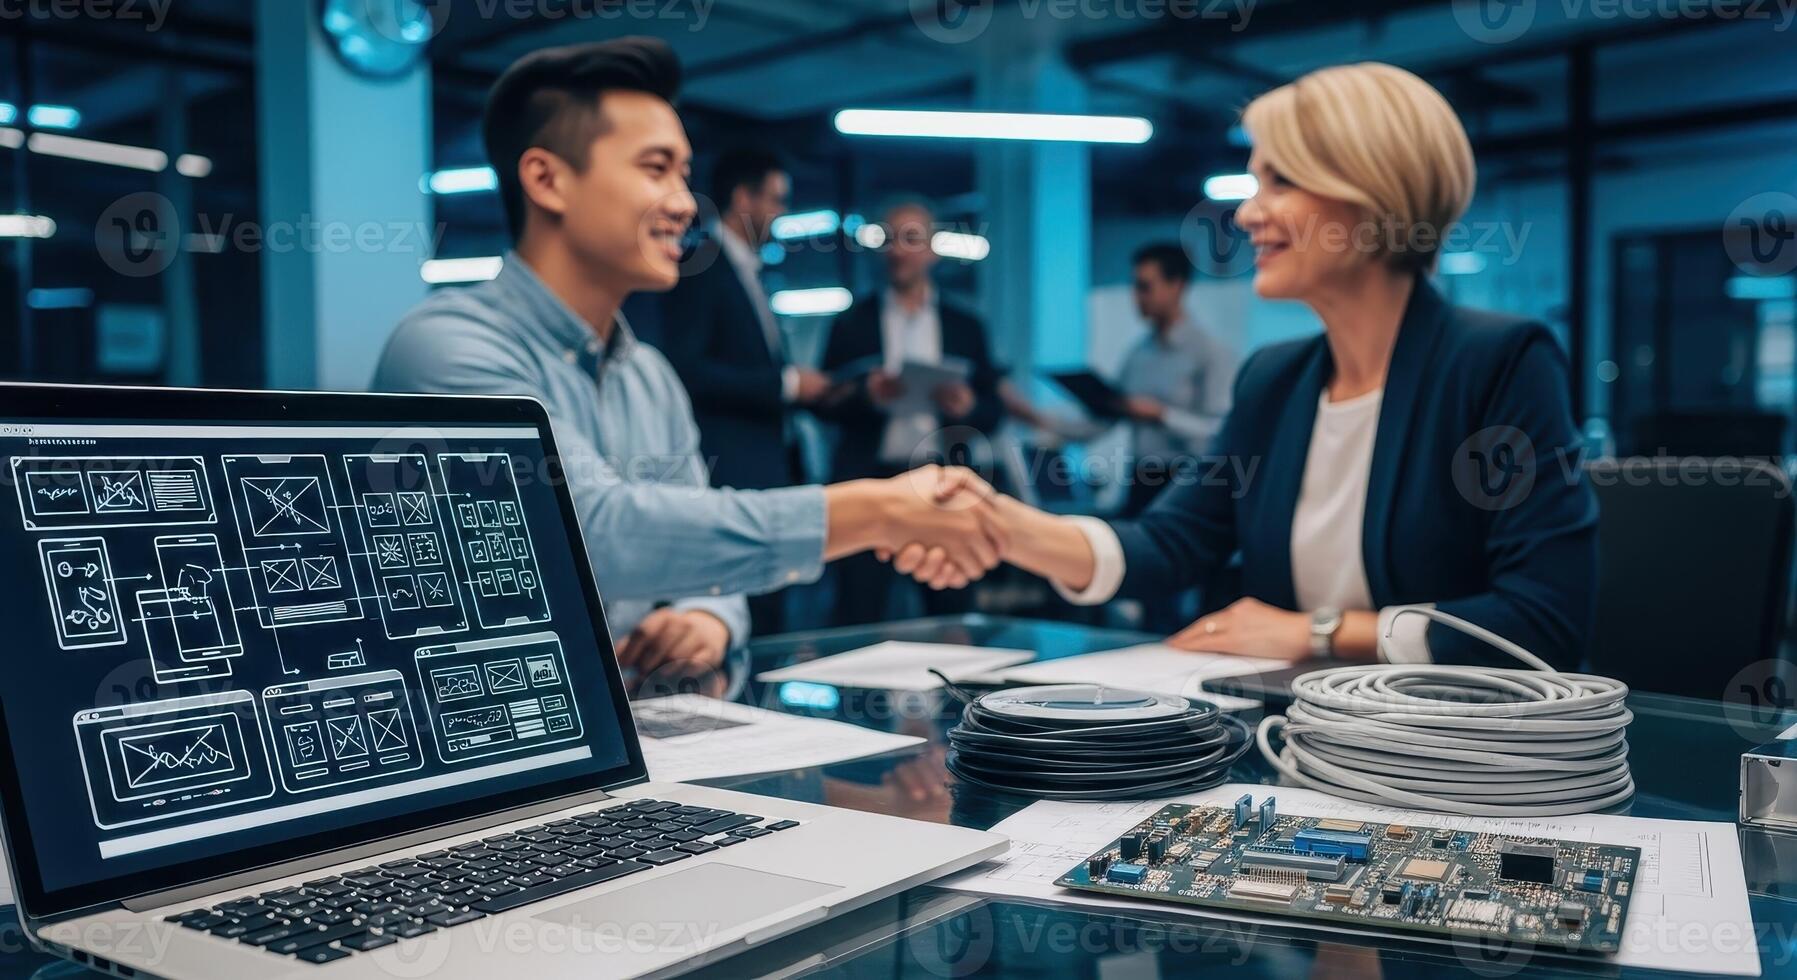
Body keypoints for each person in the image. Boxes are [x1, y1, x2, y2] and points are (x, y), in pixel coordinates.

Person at [902, 63, 1597, 670]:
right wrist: (1002, 525)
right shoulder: (1274, 378)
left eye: (1280, 181)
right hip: (1305, 749)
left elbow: (1541, 623)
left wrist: (1315, 633)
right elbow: (1173, 542)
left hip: (1449, 761)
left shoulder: (1497, 362)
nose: (1244, 214)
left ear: (1374, 196)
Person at [373, 38, 1004, 694]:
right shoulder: (447, 347)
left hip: (639, 729)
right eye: (656, 169)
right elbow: (587, 532)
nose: (683, 204)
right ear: (546, 179)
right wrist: (872, 511)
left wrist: (709, 615)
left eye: (683, 174)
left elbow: (699, 548)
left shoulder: (650, 377)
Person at [659, 148, 833, 636]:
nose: (781, 213)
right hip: (729, 470)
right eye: (775, 200)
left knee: (769, 612)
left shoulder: (751, 273)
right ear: (742, 198)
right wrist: (788, 385)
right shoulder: (700, 266)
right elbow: (689, 370)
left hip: (766, 469)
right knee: (742, 618)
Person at [817, 199, 1005, 625]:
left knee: (951, 610)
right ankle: (859, 693)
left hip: (943, 484)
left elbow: (993, 410)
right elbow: (824, 402)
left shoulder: (965, 325)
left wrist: (968, 406)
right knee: (859, 610)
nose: (898, 249)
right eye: (890, 239)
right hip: (870, 482)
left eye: (911, 238)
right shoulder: (852, 323)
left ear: (933, 250)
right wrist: (868, 395)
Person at [1116, 242, 1237, 517]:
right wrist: (1035, 417)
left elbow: (1220, 431)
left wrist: (1162, 415)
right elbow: (1104, 415)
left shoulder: (1210, 353)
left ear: (1177, 286)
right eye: (1135, 287)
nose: (1137, 298)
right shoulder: (1138, 354)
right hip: (1140, 479)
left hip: (1188, 480)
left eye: (1145, 287)